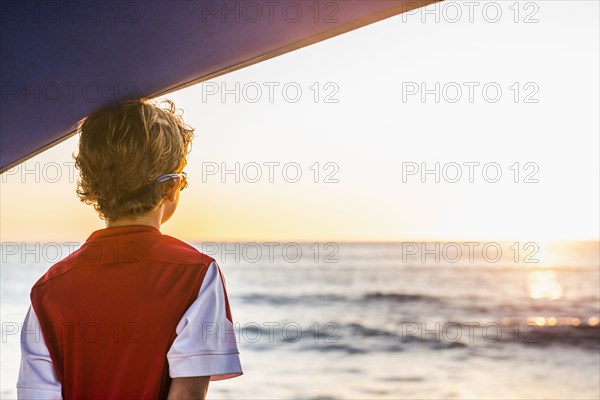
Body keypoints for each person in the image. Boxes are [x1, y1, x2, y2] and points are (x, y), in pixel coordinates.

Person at [17, 98, 242, 399]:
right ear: (171, 186)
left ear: (90, 184)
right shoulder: (196, 274)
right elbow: (187, 394)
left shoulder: (47, 290)